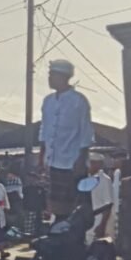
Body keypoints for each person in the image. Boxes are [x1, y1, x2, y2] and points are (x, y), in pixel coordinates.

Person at [39, 59, 94, 219]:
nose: (49, 78)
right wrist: (42, 157)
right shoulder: (48, 101)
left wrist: (81, 160)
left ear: (63, 76)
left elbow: (86, 132)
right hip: (53, 161)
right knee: (54, 206)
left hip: (71, 161)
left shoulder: (78, 100)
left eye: (52, 75)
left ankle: (72, 238)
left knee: (73, 207)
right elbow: (44, 129)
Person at [85, 152, 115, 244]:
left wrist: (102, 225)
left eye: (93, 162)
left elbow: (108, 205)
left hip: (97, 222)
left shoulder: (105, 180)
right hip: (85, 222)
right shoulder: (84, 178)